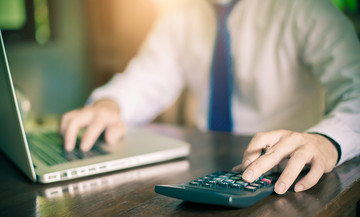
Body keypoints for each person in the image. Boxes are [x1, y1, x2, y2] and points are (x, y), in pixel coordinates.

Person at [60, 0, 360, 194]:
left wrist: (326, 139)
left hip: (286, 179)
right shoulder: (178, 15)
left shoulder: (307, 8)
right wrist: (110, 105)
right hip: (205, 172)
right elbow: (146, 78)